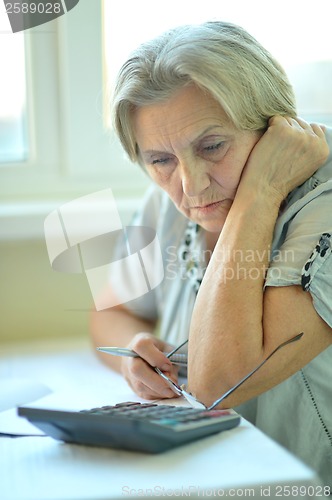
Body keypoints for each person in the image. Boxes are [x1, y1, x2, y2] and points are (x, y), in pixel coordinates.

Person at [90, 21, 332, 485]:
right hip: (208, 472)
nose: (191, 185)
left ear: (276, 129)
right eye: (159, 160)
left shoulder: (323, 207)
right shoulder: (172, 202)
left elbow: (219, 383)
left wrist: (261, 190)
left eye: (213, 146)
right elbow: (113, 310)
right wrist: (132, 357)